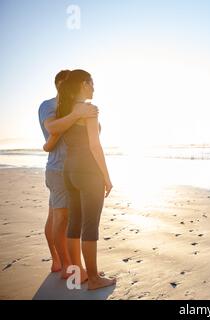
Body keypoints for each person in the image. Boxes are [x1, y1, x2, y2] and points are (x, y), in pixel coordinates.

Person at [52, 69, 116, 290]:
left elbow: (54, 132)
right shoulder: (88, 109)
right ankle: (95, 279)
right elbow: (94, 145)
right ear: (83, 84)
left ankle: (78, 274)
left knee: (75, 223)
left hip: (69, 169)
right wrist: (106, 177)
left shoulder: (64, 109)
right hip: (88, 170)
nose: (94, 87)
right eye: (91, 83)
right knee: (90, 226)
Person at [38, 70, 98, 279]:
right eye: (66, 84)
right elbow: (53, 130)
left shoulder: (72, 106)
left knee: (58, 216)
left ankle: (64, 263)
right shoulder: (50, 106)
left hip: (70, 168)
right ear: (59, 84)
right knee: (62, 218)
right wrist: (76, 115)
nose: (69, 88)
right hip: (58, 168)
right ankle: (67, 266)